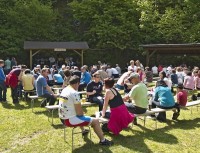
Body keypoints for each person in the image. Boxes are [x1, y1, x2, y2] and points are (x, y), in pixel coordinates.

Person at [58, 75, 113, 146]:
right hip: (69, 120)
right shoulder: (74, 93)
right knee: (95, 121)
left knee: (81, 116)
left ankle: (83, 131)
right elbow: (80, 114)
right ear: (77, 83)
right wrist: (82, 114)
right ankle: (103, 141)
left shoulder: (65, 89)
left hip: (62, 117)